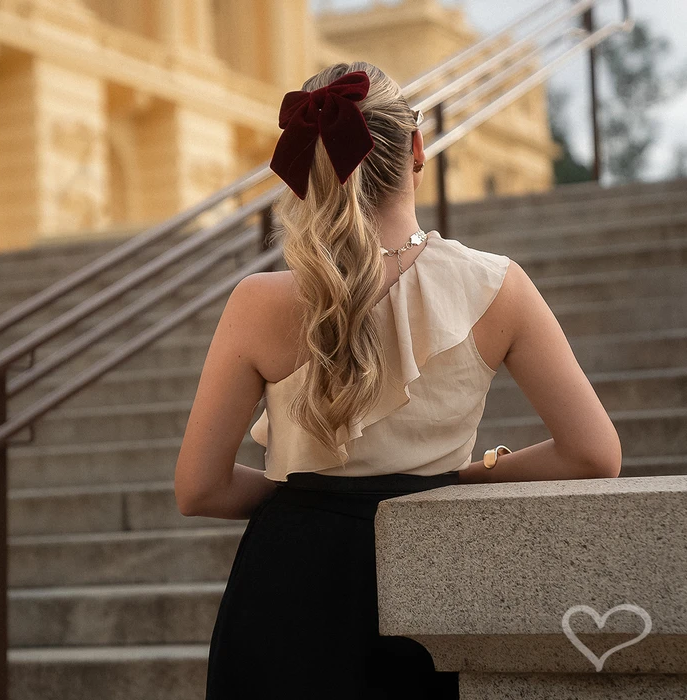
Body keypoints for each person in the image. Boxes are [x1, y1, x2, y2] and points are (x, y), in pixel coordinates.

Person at [174, 61, 622, 699]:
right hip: (432, 577)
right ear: (416, 147)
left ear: (310, 162)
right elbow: (594, 453)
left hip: (287, 591)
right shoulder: (499, 288)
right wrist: (463, 478)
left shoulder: (256, 302)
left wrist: (307, 498)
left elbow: (199, 489)